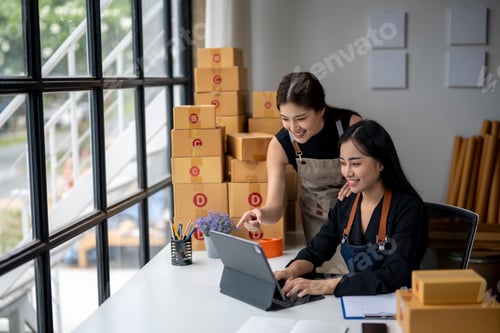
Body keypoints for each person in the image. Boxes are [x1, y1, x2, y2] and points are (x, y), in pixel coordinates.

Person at [274, 119, 428, 297]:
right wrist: (291, 271)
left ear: (381, 163)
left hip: (396, 305)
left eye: (355, 164)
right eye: (342, 163)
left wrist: (326, 286)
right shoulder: (346, 203)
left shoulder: (408, 209)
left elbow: (395, 274)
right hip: (357, 298)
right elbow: (316, 251)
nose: (347, 172)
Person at [237, 72, 362, 244]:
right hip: (320, 231)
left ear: (321, 110)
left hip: (360, 222)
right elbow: (275, 209)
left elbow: (381, 173)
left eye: (301, 119)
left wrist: (360, 182)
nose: (294, 128)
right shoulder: (280, 145)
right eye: (285, 119)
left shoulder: (350, 126)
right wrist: (259, 214)